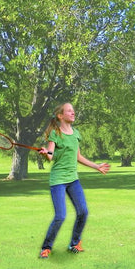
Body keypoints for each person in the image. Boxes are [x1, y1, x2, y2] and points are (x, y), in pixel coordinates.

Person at [39, 103, 110, 258]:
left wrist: (96, 166)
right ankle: (46, 247)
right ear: (60, 116)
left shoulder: (76, 133)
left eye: (73, 110)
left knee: (83, 212)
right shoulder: (54, 134)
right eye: (69, 111)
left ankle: (74, 243)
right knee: (60, 216)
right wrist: (45, 153)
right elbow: (50, 155)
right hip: (58, 180)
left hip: (73, 180)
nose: (73, 112)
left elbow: (78, 157)